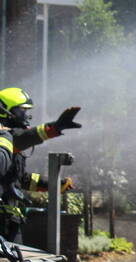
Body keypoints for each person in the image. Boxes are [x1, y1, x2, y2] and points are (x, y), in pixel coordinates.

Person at [0, 87, 81, 242]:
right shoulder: (5, 138)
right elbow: (22, 138)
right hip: (2, 222)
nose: (26, 115)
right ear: (5, 111)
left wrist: (52, 184)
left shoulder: (10, 140)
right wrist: (53, 128)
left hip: (11, 221)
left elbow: (20, 178)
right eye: (22, 110)